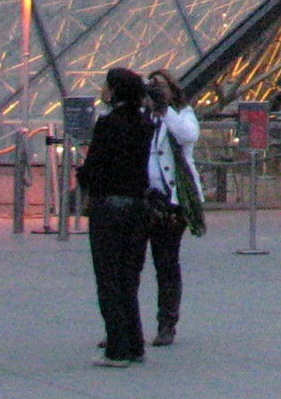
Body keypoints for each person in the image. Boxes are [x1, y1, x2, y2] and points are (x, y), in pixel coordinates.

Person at [77, 69, 154, 366]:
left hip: (109, 207)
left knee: (108, 278)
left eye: (106, 85)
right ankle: (134, 343)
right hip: (138, 207)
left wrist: (82, 177)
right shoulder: (145, 123)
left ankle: (118, 349)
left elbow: (96, 166)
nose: (102, 90)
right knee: (129, 278)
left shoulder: (108, 123)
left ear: (115, 90)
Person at [142, 70, 203, 347]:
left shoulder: (182, 114)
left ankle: (167, 323)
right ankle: (123, 324)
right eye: (152, 86)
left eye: (161, 86)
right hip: (142, 198)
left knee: (166, 264)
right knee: (129, 265)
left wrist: (165, 109)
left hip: (171, 202)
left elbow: (188, 135)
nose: (156, 90)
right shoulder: (141, 117)